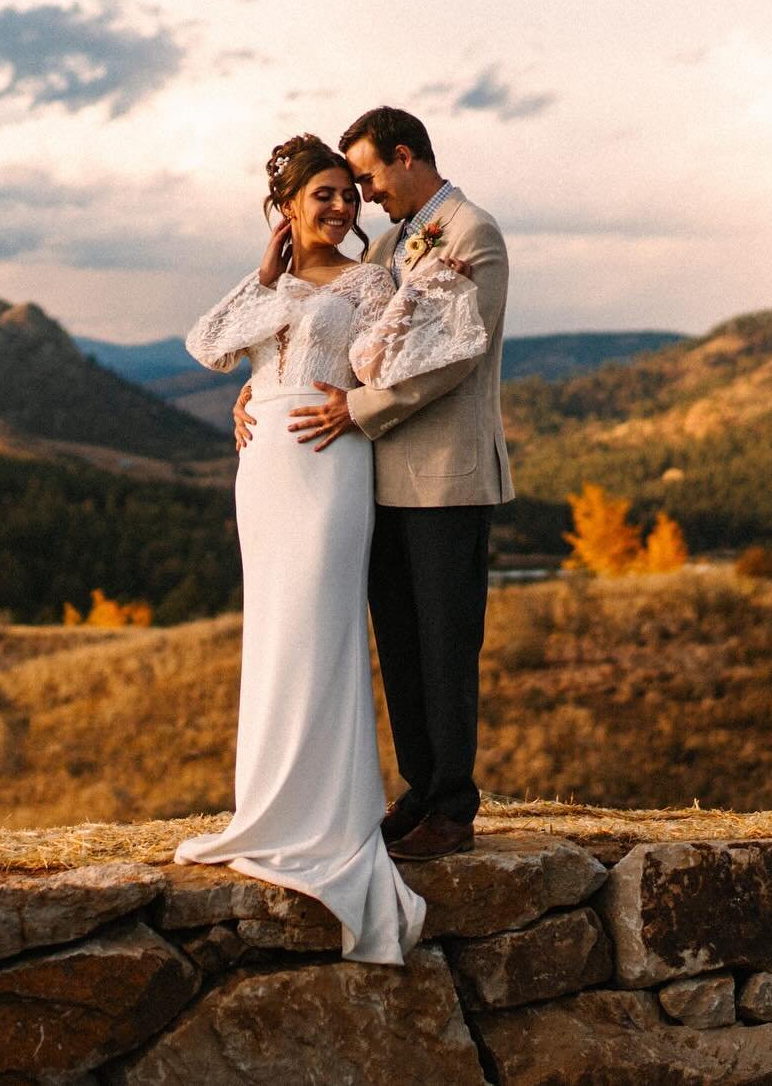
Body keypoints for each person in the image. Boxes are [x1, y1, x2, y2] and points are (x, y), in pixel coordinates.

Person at [174, 133, 487, 965]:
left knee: (324, 630)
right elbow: (211, 343)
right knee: (276, 634)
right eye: (325, 196)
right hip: (265, 467)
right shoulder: (270, 281)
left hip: (330, 458)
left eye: (350, 193)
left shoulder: (371, 277)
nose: (344, 207)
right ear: (287, 208)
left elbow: (393, 355)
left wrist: (359, 388)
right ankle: (269, 811)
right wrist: (265, 280)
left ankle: (332, 821)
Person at [238, 107, 512, 863]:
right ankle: (421, 791)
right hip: (379, 477)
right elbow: (355, 340)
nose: (361, 196)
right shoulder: (393, 243)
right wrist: (267, 384)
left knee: (446, 644)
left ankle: (454, 807)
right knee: (401, 644)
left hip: (446, 475)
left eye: (365, 178)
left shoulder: (472, 235)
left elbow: (452, 358)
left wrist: (355, 409)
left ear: (403, 157)